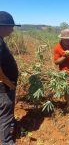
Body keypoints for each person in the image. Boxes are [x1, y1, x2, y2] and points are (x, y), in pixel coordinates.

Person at [0, 11, 21, 145]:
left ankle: (11, 127)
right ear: (2, 26)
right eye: (10, 26)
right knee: (6, 112)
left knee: (7, 109)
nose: (12, 29)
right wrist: (8, 82)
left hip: (6, 84)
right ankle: (7, 141)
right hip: (4, 85)